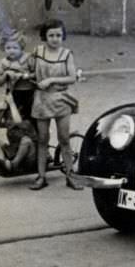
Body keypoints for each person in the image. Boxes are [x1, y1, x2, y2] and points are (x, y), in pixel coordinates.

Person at [30, 18, 81, 190]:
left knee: (64, 139)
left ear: (63, 36)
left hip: (61, 99)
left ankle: (70, 175)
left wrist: (51, 79)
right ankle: (41, 176)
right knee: (43, 139)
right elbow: (28, 69)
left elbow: (72, 77)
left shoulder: (67, 54)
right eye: (51, 35)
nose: (55, 38)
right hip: (42, 100)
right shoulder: (37, 52)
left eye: (58, 35)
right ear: (44, 36)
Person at [0, 29, 35, 120]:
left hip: (29, 92)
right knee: (13, 116)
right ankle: (15, 132)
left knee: (31, 116)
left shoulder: (28, 59)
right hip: (12, 92)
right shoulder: (3, 63)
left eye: (15, 48)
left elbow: (36, 74)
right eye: (8, 48)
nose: (11, 51)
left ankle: (33, 133)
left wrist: (25, 75)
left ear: (21, 47)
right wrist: (5, 74)